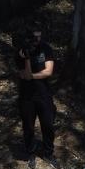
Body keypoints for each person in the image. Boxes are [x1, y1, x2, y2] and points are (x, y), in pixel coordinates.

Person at [14, 26, 56, 161]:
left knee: (48, 125)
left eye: (39, 36)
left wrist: (33, 76)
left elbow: (48, 71)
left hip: (44, 94)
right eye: (34, 37)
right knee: (28, 126)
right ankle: (30, 151)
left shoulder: (46, 49)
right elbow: (25, 75)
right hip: (27, 96)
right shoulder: (20, 53)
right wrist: (26, 58)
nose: (37, 39)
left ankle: (48, 153)